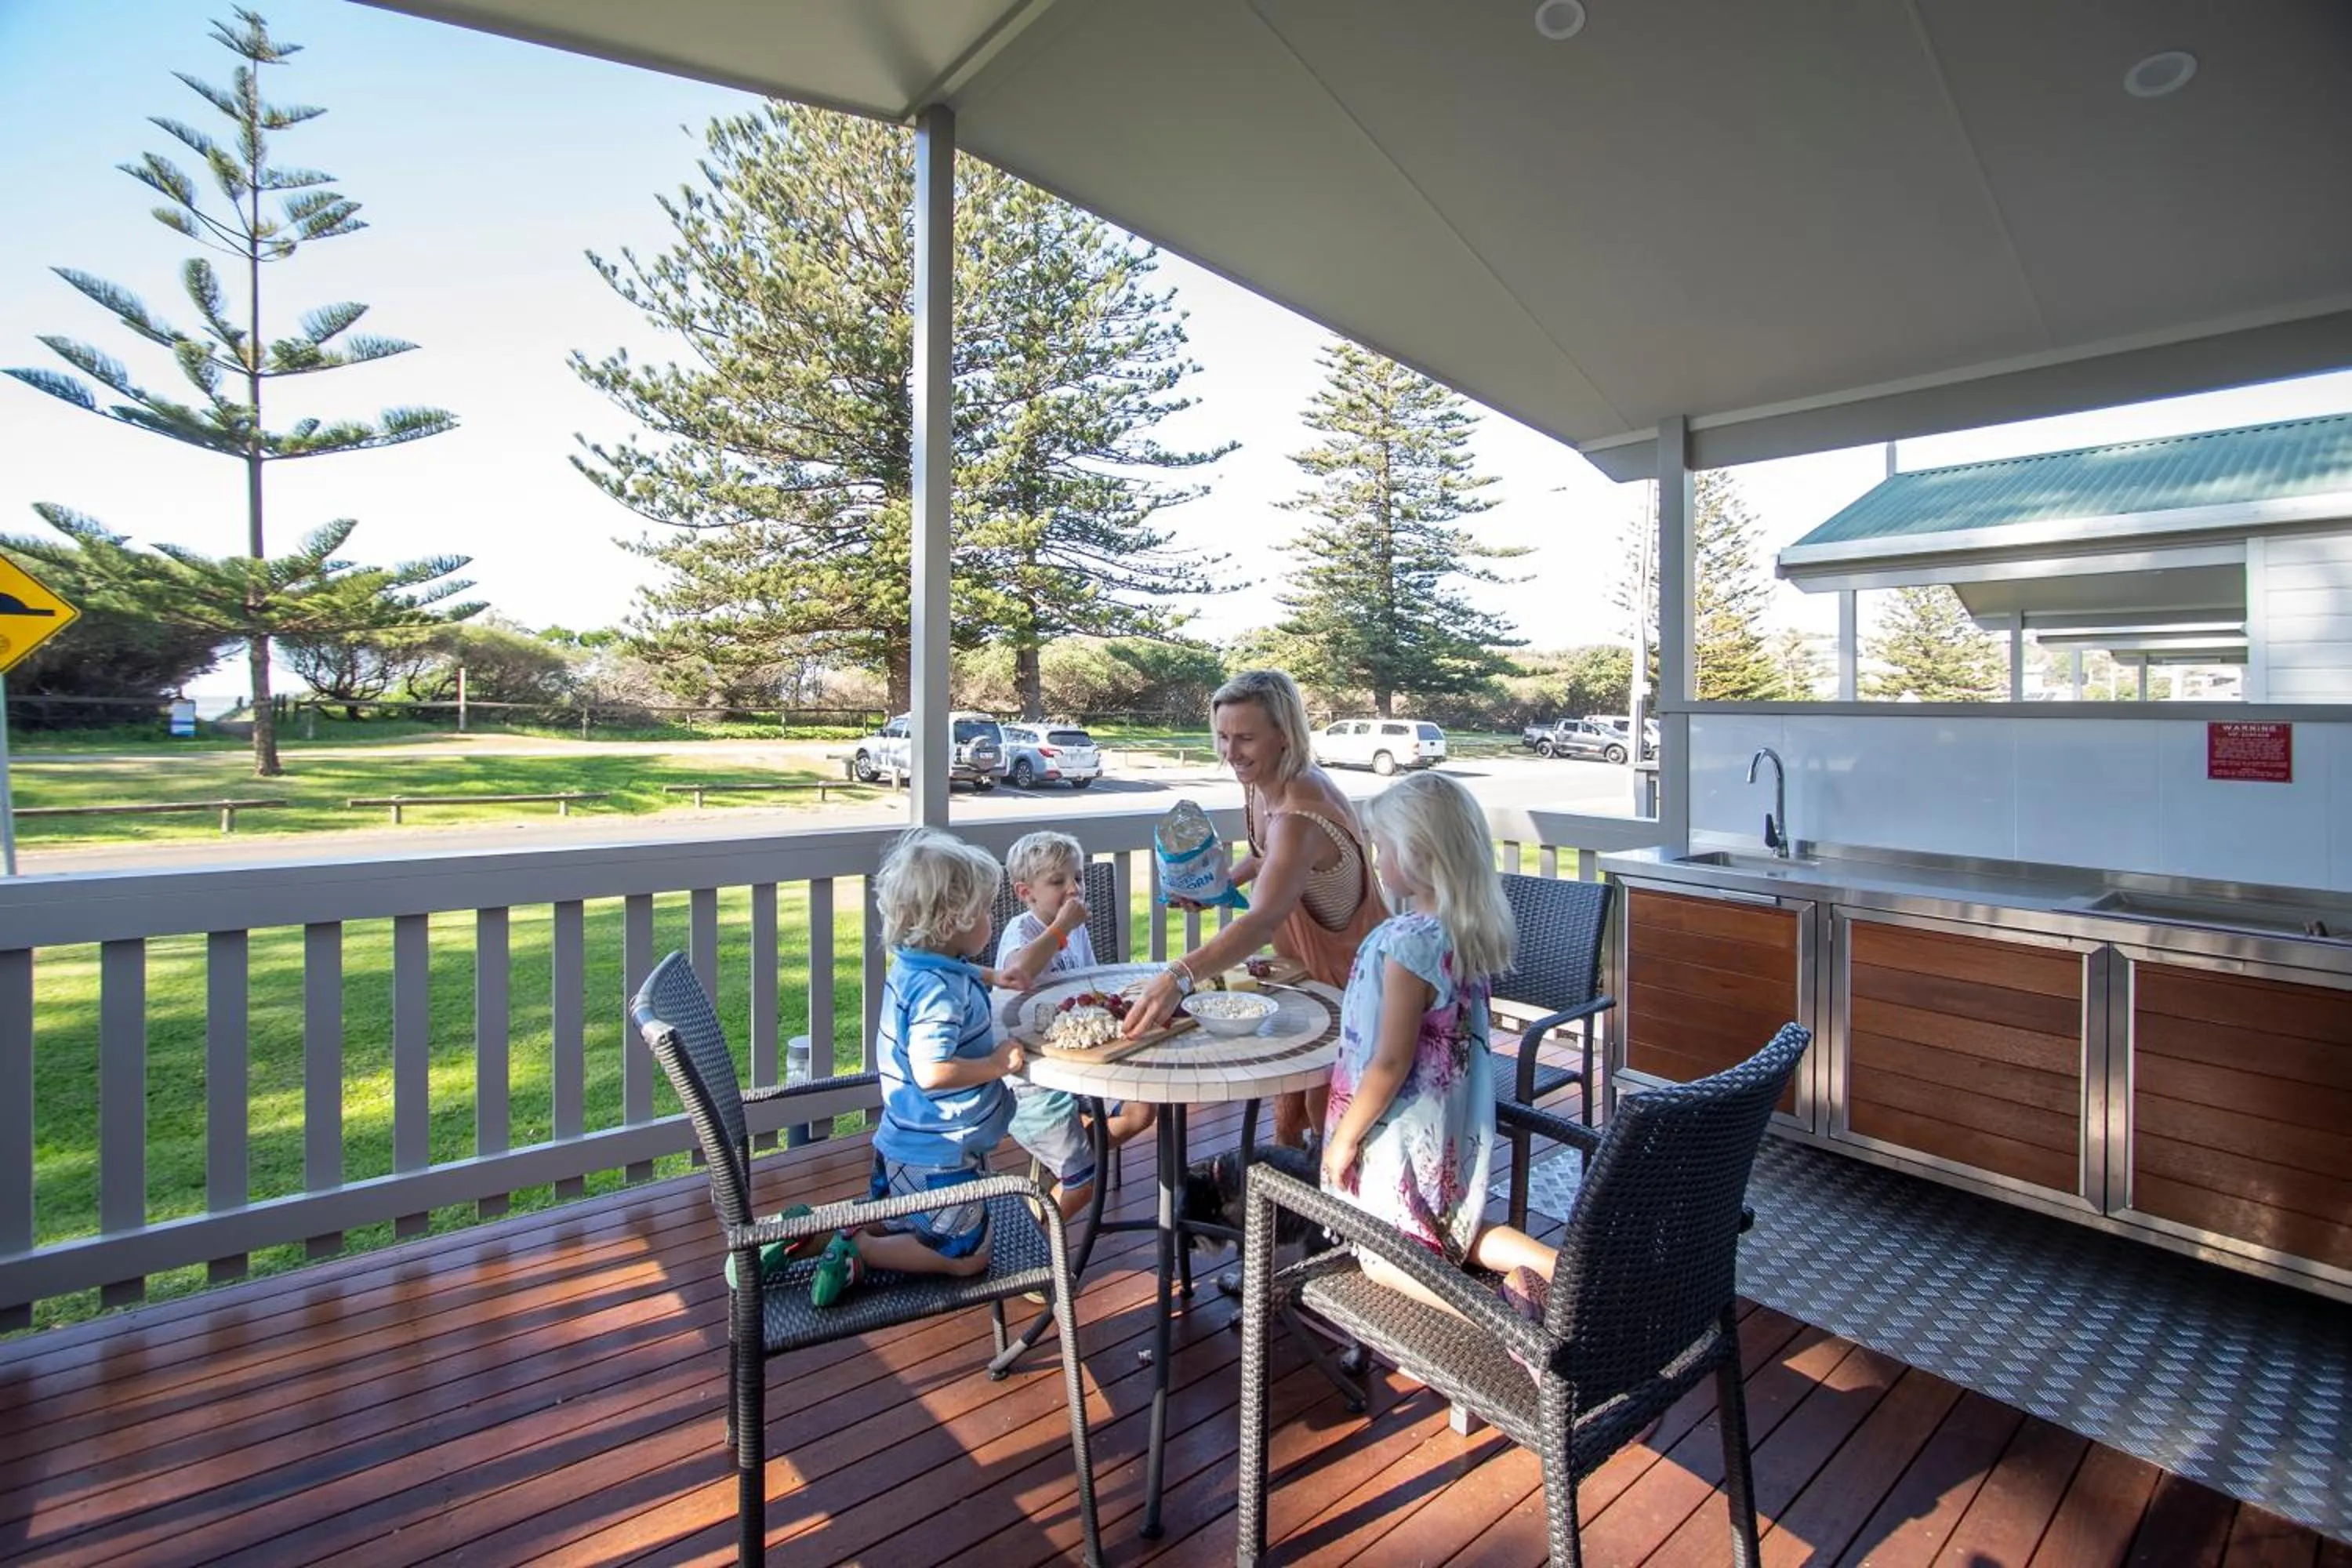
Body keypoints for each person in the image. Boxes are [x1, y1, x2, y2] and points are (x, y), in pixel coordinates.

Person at [1322, 770, 1558, 1326]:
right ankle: (1567, 1270)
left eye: (1382, 847)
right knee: (1453, 1230)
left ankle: (1503, 1320)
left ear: (1417, 853)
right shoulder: (1461, 931)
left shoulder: (1410, 943)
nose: (1377, 860)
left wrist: (1345, 1140)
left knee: (1384, 1256)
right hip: (1450, 1127)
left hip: (1398, 1132)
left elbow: (1389, 1061)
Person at [1122, 670, 1385, 1151]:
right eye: (1223, 737)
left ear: (1284, 734)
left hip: (1356, 983)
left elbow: (1263, 917)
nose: (1231, 752)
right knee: (1289, 1119)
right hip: (1306, 976)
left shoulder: (1303, 813)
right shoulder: (1265, 782)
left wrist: (1179, 974)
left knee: (1328, 1123)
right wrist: (1218, 888)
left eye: (1245, 738)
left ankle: (1334, 1221)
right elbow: (1268, 857)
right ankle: (1283, 1215)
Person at [809, 826, 1023, 1308]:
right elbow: (932, 1070)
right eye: (985, 911)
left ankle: (813, 1234)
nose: (991, 918)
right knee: (969, 1254)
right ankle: (860, 1251)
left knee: (899, 1212)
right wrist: (994, 1064)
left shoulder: (918, 965)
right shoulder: (938, 993)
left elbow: (952, 970)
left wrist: (990, 974)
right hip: (937, 1154)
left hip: (903, 1142)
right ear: (953, 922)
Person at [995, 830, 1156, 1224]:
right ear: (1025, 892)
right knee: (1084, 1183)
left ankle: (1074, 1158)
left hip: (1078, 1062)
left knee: (1143, 1108)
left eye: (1078, 879)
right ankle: (1034, 1237)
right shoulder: (1023, 932)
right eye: (1057, 882)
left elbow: (1088, 988)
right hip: (1030, 1077)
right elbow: (1019, 972)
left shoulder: (1076, 929)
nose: (1073, 889)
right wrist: (1061, 928)